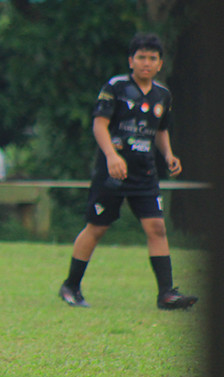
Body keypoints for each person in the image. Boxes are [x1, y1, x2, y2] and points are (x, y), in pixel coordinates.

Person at [58, 33, 198, 310]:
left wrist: (168, 154)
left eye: (152, 58)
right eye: (141, 57)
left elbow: (160, 129)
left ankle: (166, 294)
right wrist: (111, 155)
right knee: (96, 229)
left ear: (160, 63)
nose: (146, 63)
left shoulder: (163, 95)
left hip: (144, 173)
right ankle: (71, 286)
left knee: (157, 227)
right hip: (112, 174)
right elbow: (99, 125)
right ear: (131, 60)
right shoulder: (116, 87)